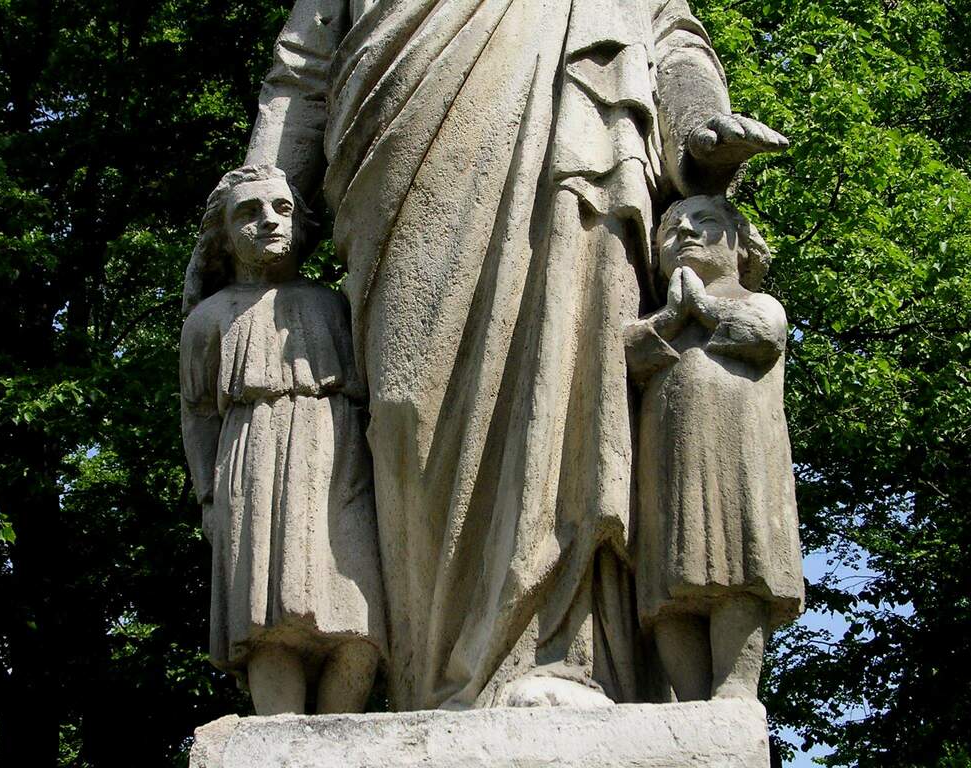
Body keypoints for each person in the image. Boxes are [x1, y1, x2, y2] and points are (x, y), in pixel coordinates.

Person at [243, 0, 789, 710]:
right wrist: (257, 196)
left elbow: (672, 32)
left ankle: (567, 659)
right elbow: (301, 70)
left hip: (574, 147)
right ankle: (425, 687)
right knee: (406, 415)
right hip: (407, 147)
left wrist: (697, 123)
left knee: (569, 390)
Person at [179, 164, 385, 715]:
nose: (269, 221)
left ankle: (344, 736)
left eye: (282, 208)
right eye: (248, 212)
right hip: (255, 462)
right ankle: (280, 735)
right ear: (223, 236)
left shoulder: (336, 305)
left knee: (358, 617)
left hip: (341, 463)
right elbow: (198, 415)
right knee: (266, 615)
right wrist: (207, 499)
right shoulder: (209, 319)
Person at [624, 195, 804, 701]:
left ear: (742, 244)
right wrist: (670, 316)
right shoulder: (660, 317)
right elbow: (625, 353)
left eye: (704, 222)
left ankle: (735, 691)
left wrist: (700, 308)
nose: (684, 231)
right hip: (666, 466)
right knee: (666, 588)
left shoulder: (757, 302)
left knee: (738, 569)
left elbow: (761, 333)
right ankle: (687, 702)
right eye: (671, 228)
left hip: (740, 459)